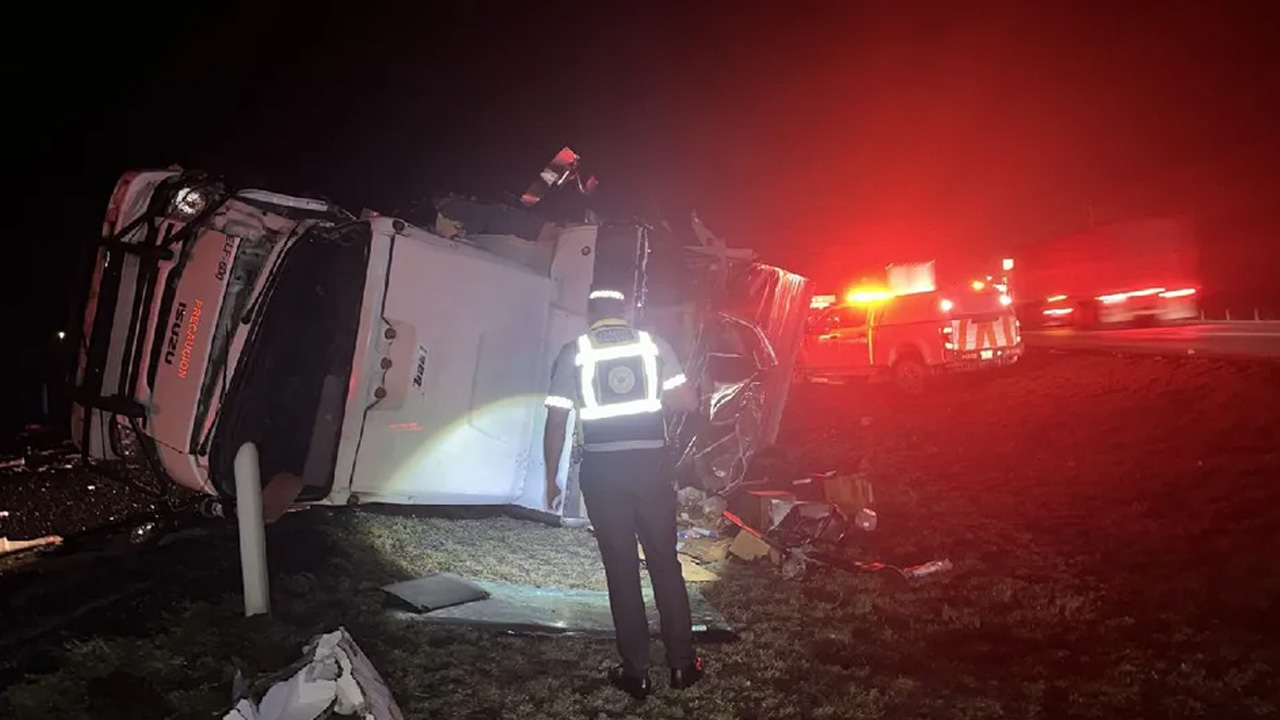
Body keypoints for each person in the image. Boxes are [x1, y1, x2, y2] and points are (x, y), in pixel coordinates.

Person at [542, 286, 705, 700]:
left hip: (603, 472)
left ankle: (636, 671)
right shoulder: (653, 345)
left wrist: (550, 478)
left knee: (621, 570)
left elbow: (557, 421)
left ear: (590, 314)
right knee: (665, 563)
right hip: (651, 468)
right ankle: (683, 665)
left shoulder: (572, 351)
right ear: (626, 312)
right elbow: (688, 401)